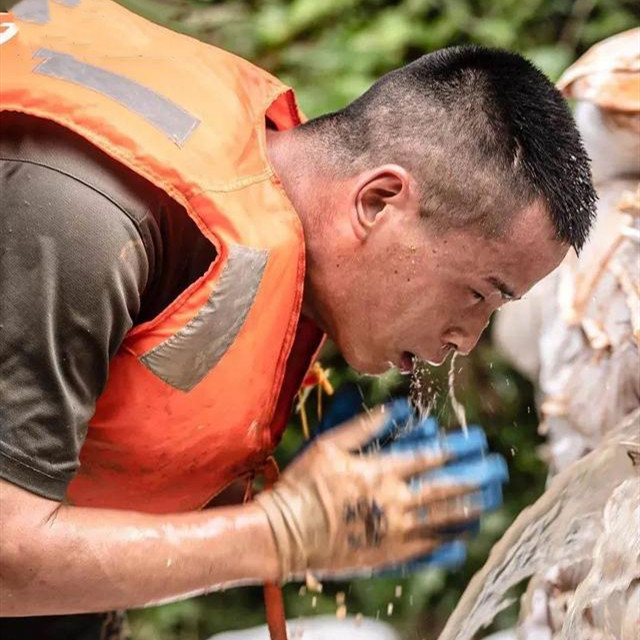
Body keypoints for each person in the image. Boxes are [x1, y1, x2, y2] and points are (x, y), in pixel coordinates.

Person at [0, 0, 596, 638]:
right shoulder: (92, 216)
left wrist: (275, 495)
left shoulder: (281, 228)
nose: (464, 341)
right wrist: (282, 534)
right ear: (379, 201)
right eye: (479, 294)